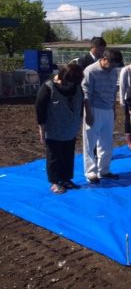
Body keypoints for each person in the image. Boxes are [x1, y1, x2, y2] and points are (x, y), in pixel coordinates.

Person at [35, 63, 84, 194]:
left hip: (70, 128)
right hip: (54, 129)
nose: (71, 85)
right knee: (54, 156)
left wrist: (79, 122)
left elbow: (80, 105)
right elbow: (40, 111)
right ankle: (55, 182)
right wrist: (42, 130)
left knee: (68, 155)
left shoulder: (77, 87)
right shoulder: (48, 88)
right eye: (69, 82)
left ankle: (66, 179)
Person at [81, 48, 124, 184]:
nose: (113, 67)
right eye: (112, 64)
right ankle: (91, 173)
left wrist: (113, 109)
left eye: (116, 65)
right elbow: (86, 94)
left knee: (106, 143)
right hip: (93, 109)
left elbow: (112, 92)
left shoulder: (113, 72)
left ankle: (104, 170)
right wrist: (88, 113)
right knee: (90, 142)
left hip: (108, 110)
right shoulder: (90, 71)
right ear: (104, 59)